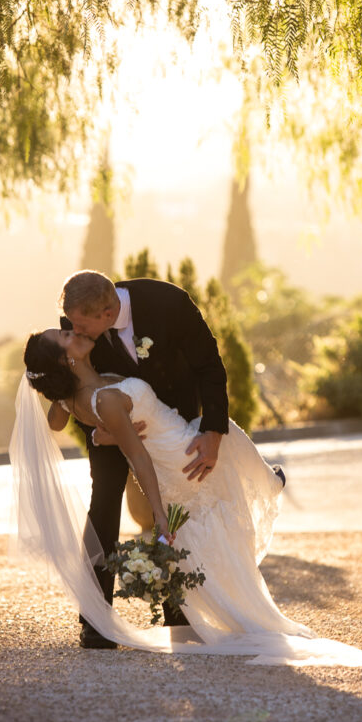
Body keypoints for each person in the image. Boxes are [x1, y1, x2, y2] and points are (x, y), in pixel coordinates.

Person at [11, 325, 362, 667]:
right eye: (63, 336)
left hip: (168, 451)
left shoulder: (76, 398)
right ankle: (269, 482)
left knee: (210, 514)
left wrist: (93, 425)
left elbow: (59, 421)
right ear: (64, 360)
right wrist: (158, 517)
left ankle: (263, 488)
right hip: (178, 454)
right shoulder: (105, 399)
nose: (73, 331)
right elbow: (139, 460)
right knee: (220, 432)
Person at [59, 270, 232, 648]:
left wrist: (213, 432)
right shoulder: (75, 323)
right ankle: (95, 618)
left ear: (107, 313)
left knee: (174, 507)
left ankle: (176, 608)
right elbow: (69, 391)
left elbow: (209, 365)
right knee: (103, 502)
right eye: (70, 321)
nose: (72, 329)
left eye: (79, 323)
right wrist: (98, 428)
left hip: (167, 419)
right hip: (106, 421)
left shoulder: (169, 303)